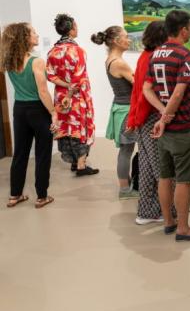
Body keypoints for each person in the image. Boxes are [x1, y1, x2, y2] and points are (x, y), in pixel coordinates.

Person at [143, 10, 190, 241]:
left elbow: (146, 88)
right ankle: (183, 227)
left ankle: (168, 222)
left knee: (165, 176)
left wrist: (161, 113)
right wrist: (166, 116)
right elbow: (180, 91)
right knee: (183, 180)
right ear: (183, 30)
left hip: (164, 130)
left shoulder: (156, 54)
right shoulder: (186, 55)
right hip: (182, 127)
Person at [2, 23, 57, 208]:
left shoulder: (9, 61)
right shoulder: (36, 61)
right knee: (42, 154)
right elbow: (43, 92)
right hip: (38, 110)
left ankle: (14, 195)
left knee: (20, 153)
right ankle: (42, 196)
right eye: (33, 32)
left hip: (20, 110)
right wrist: (54, 112)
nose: (37, 34)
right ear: (25, 38)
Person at [127, 21, 175, 225]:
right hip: (152, 118)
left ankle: (146, 212)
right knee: (162, 168)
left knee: (147, 167)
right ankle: (168, 208)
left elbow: (137, 91)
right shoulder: (154, 59)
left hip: (142, 119)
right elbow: (146, 93)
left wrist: (134, 118)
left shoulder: (144, 56)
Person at [46, 14, 99, 176]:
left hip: (61, 96)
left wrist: (65, 86)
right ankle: (81, 165)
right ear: (71, 29)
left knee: (67, 128)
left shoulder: (52, 52)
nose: (77, 28)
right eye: (76, 26)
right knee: (80, 127)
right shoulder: (78, 51)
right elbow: (78, 77)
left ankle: (74, 161)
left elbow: (50, 75)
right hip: (77, 97)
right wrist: (70, 90)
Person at [92, 26, 138, 200]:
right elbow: (139, 86)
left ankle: (126, 185)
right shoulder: (118, 62)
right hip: (126, 111)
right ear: (117, 41)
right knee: (126, 151)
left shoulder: (111, 59)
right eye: (126, 37)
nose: (129, 39)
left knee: (126, 150)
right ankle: (125, 190)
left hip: (121, 108)